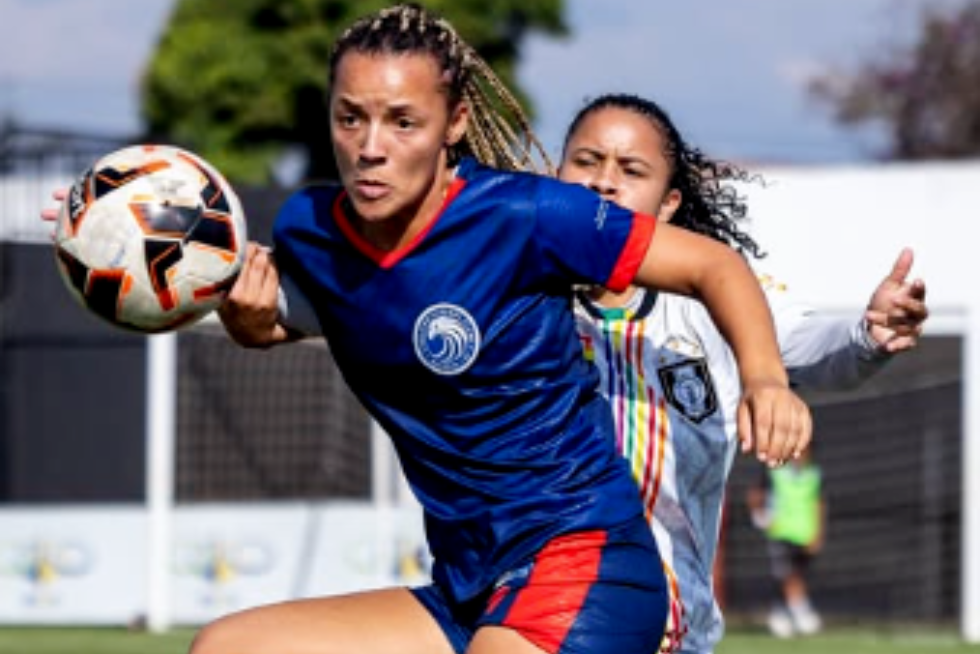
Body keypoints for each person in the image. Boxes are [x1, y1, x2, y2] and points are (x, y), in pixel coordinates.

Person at [43, 6, 812, 654]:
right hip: (469, 585)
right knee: (229, 647)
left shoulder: (526, 216)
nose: (370, 146)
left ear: (456, 124)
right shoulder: (312, 228)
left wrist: (768, 378)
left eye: (402, 120)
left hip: (587, 563)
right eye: (351, 118)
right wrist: (114, 236)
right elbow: (290, 318)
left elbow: (714, 266)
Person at [556, 93, 927, 653]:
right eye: (586, 161)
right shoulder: (516, 302)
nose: (605, 182)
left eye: (632, 170)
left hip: (670, 633)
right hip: (535, 622)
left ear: (668, 204)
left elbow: (810, 345)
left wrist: (867, 336)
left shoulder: (720, 301)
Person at [747, 448, 826, 638]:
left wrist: (817, 533)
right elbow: (755, 495)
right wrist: (761, 517)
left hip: (804, 533)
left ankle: (780, 614)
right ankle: (801, 612)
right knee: (786, 575)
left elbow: (819, 504)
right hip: (781, 533)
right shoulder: (775, 472)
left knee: (797, 575)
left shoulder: (814, 475)